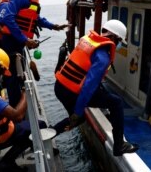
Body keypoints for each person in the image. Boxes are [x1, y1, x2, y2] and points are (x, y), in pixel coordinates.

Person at [53, 19, 139, 156]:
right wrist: (78, 111)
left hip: (60, 87)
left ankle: (48, 133)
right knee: (116, 102)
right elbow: (88, 86)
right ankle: (119, 146)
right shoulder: (103, 57)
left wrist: (78, 114)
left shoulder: (87, 40)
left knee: (78, 118)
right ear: (113, 38)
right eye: (118, 42)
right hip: (71, 92)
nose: (117, 45)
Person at [0, 0, 69, 107]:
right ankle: (15, 110)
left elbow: (36, 18)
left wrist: (53, 26)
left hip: (19, 43)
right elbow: (9, 18)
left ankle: (16, 102)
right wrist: (25, 39)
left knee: (17, 73)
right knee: (12, 76)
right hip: (11, 42)